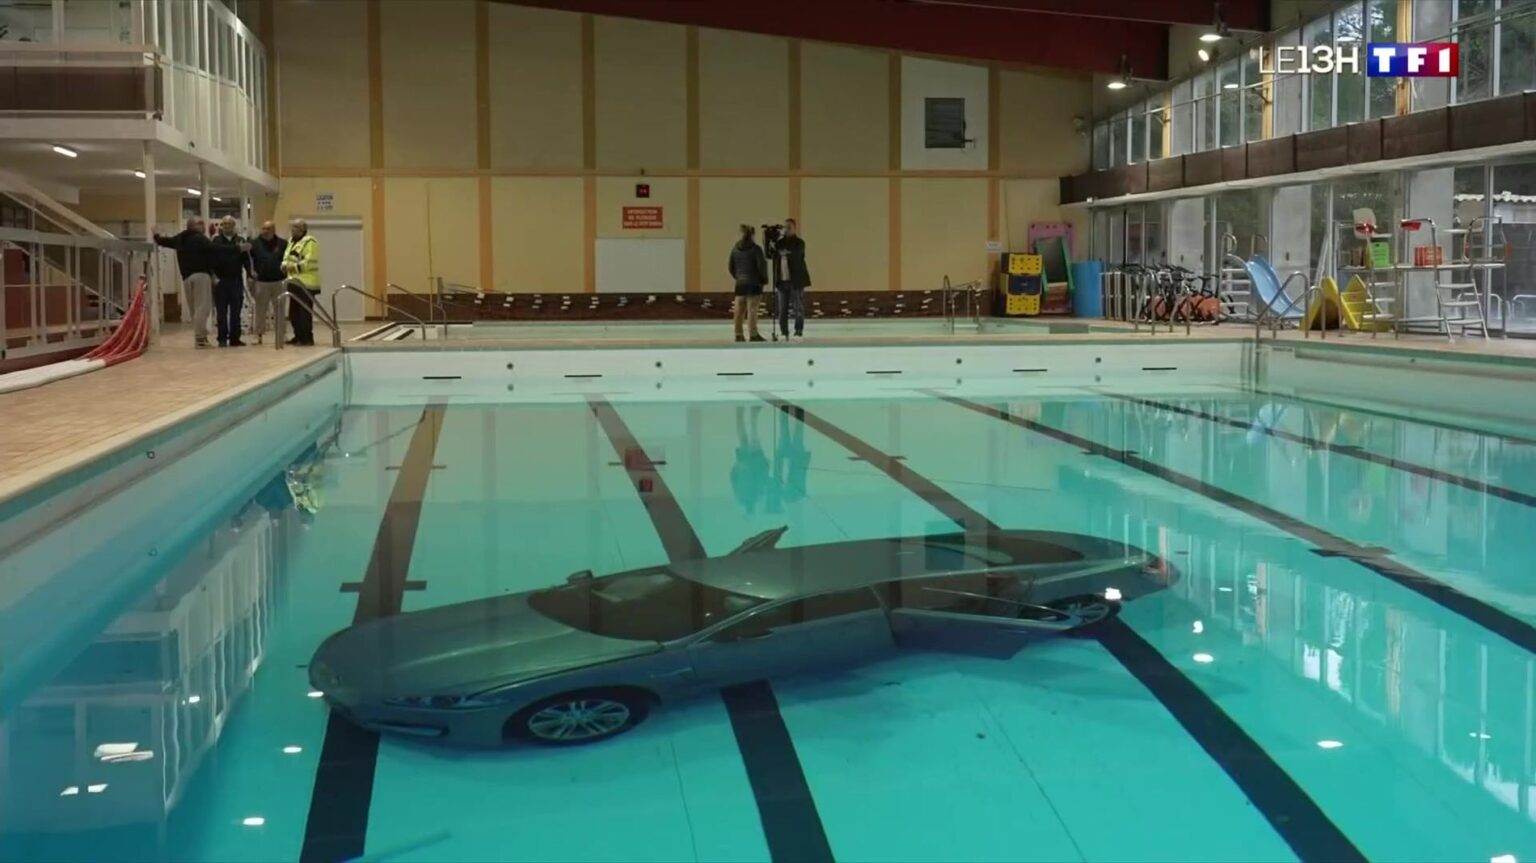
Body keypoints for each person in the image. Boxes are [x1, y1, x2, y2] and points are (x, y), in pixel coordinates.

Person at [153, 216, 215, 348]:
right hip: (202, 275)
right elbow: (215, 251)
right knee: (203, 308)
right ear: (195, 226)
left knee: (194, 309)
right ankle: (200, 339)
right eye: (202, 224)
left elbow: (163, 241)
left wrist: (156, 235)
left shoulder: (180, 238)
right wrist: (236, 249)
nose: (204, 227)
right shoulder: (201, 239)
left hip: (187, 278)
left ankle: (200, 336)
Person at [210, 216, 252, 347]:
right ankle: (222, 338)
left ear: (234, 226)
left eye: (229, 224)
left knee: (236, 312)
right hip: (220, 282)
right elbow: (210, 259)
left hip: (236, 281)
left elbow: (246, 260)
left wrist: (250, 274)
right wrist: (213, 276)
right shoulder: (216, 240)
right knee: (221, 312)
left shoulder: (240, 240)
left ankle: (235, 339)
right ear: (222, 226)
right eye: (225, 224)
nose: (227, 226)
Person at [248, 220, 289, 345]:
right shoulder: (254, 244)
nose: (265, 231)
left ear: (273, 230)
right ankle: (258, 335)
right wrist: (251, 274)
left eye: (268, 229)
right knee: (260, 310)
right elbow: (248, 260)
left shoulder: (283, 243)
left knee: (280, 310)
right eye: (263, 228)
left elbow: (287, 259)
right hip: (261, 282)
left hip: (279, 281)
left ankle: (281, 334)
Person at [281, 218, 321, 346]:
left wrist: (291, 267)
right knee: (294, 313)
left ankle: (307, 338)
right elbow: (286, 258)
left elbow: (309, 262)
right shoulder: (291, 241)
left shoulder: (310, 242)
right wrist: (284, 265)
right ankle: (297, 336)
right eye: (292, 227)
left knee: (304, 313)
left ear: (303, 229)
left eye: (296, 227)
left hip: (306, 283)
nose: (293, 230)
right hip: (293, 282)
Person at [773, 218, 812, 341]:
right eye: (785, 227)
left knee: (798, 307)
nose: (787, 229)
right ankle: (784, 331)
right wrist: (769, 243)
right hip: (782, 281)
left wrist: (784, 252)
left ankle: (798, 330)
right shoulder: (779, 243)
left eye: (789, 227)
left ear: (795, 228)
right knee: (782, 309)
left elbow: (797, 255)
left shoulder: (799, 243)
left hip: (796, 281)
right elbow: (770, 255)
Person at [728, 224, 767, 343]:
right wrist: (764, 280)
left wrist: (738, 277)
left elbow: (730, 266)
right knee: (752, 310)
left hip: (740, 284)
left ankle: (738, 334)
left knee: (739, 311)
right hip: (754, 284)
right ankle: (753, 334)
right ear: (753, 235)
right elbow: (762, 267)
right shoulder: (756, 249)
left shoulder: (735, 249)